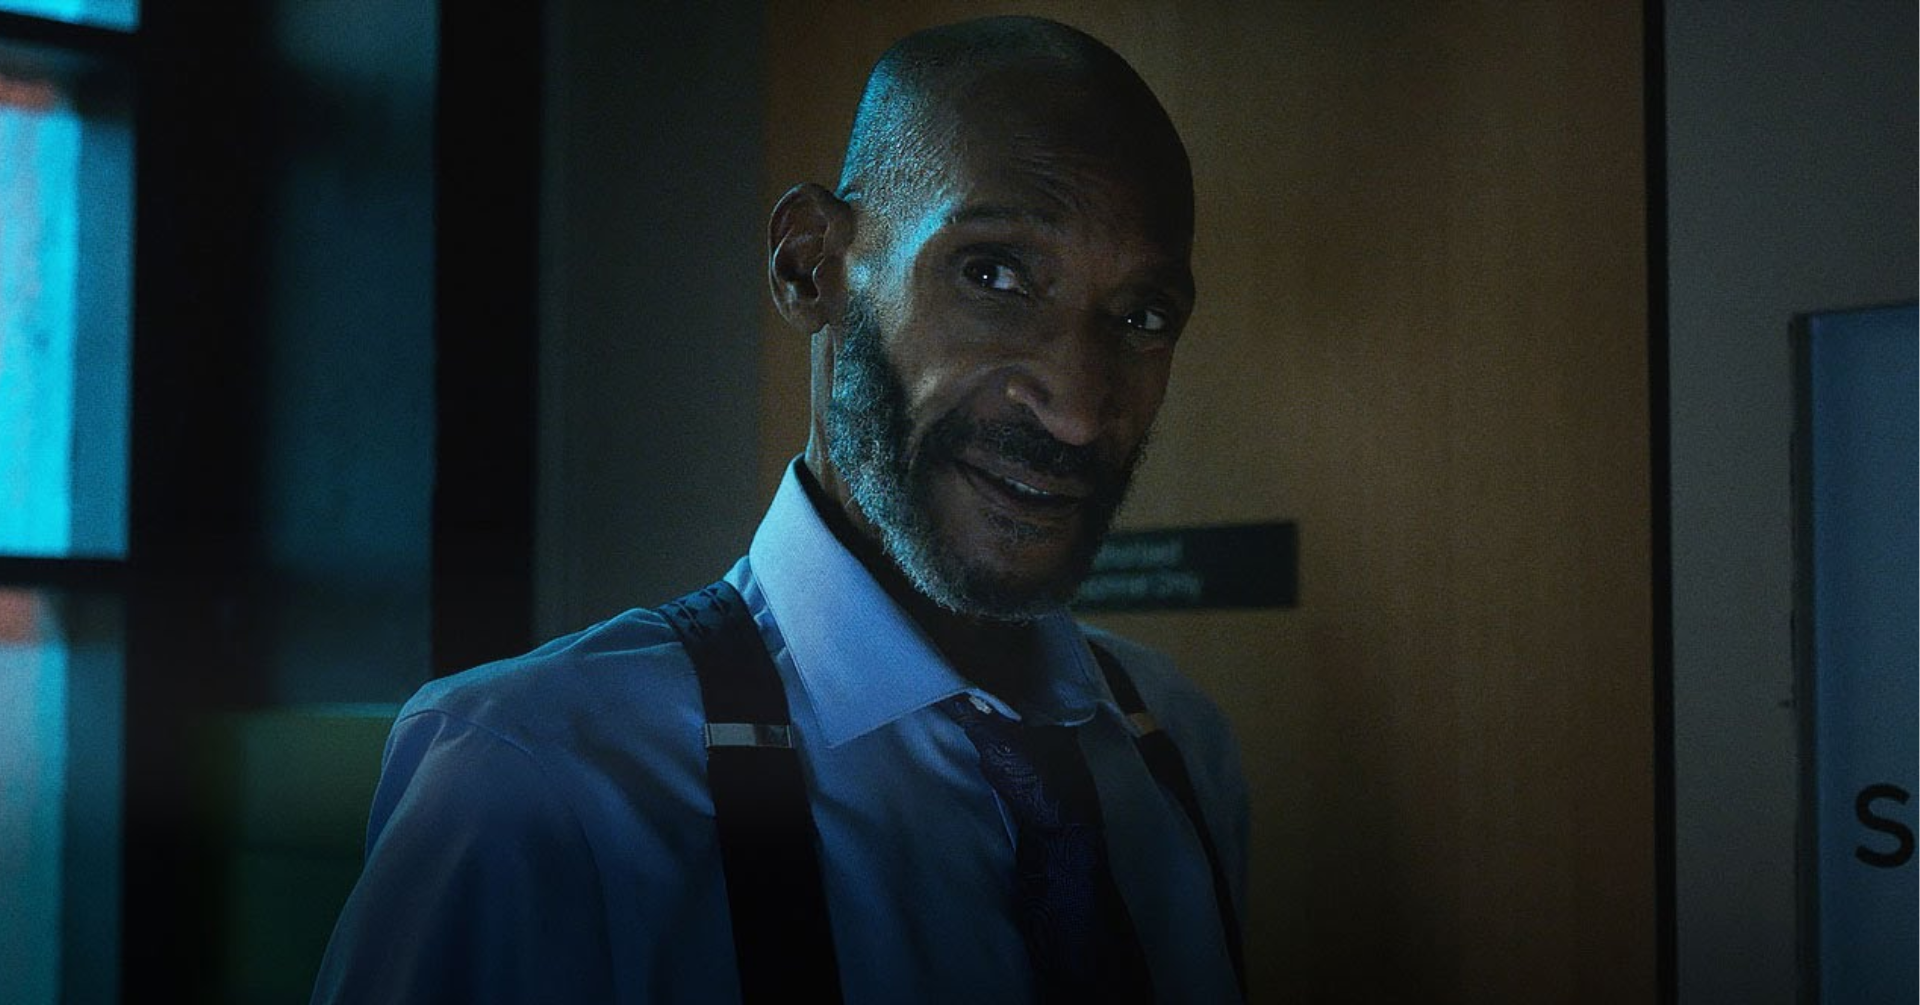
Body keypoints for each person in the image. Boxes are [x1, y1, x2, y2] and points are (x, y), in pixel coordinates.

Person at [311, 15, 1247, 1004]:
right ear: (811, 266)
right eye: (994, 274)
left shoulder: (1180, 749)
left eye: (1142, 316)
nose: (1078, 408)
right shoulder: (532, 780)